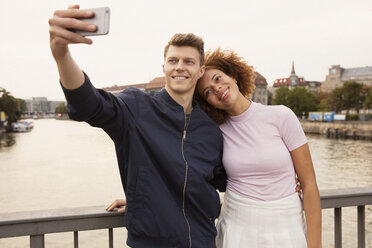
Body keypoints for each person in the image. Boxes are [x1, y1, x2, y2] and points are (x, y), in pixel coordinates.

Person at [49, 5, 227, 248]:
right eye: (173, 60)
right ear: (163, 67)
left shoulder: (210, 131)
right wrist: (61, 55)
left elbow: (229, 181)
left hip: (204, 242)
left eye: (189, 61)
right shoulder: (135, 108)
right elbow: (89, 104)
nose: (180, 67)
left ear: (200, 70)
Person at [193, 48, 322, 248]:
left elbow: (310, 186)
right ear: (208, 103)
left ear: (233, 76)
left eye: (218, 79)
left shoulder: (281, 116)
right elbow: (184, 170)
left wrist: (315, 245)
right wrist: (143, 199)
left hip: (287, 226)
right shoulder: (214, 132)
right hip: (238, 227)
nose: (216, 88)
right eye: (207, 91)